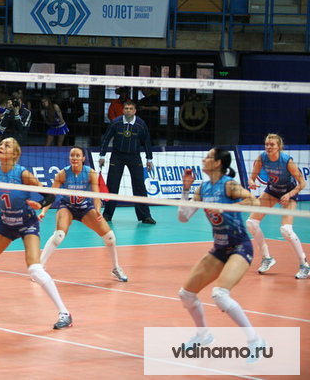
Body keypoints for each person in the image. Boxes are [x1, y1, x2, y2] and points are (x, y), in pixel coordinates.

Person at [0, 137, 72, 330]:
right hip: (5, 224)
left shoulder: (23, 174)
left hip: (26, 223)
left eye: (6, 146)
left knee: (35, 269)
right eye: (0, 144)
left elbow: (49, 195)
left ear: (15, 154)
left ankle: (64, 313)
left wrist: (39, 204)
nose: (0, 147)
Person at [177, 148, 264, 352]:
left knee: (220, 294)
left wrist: (224, 207)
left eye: (208, 157)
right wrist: (186, 189)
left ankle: (255, 341)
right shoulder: (203, 188)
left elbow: (255, 201)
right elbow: (183, 217)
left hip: (240, 246)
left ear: (217, 163)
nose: (204, 159)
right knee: (186, 294)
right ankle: (203, 336)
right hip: (219, 249)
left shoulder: (228, 185)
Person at [39, 147, 128, 282]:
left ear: (83, 158)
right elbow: (51, 195)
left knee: (110, 237)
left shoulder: (90, 173)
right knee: (59, 235)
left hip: (85, 207)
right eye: (72, 155)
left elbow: (96, 196)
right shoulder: (62, 174)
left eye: (77, 155)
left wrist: (97, 210)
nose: (74, 158)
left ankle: (116, 268)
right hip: (67, 207)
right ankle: (39, 267)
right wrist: (43, 211)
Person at [245, 134, 309, 279]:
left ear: (279, 146)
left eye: (272, 144)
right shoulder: (262, 158)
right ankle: (267, 258)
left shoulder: (287, 161)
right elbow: (252, 177)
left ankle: (304, 265)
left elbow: (302, 183)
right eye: (267, 144)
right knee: (251, 223)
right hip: (272, 191)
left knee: (286, 230)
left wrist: (289, 195)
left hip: (289, 193)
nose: (269, 147)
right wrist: (251, 182)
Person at [98, 100, 156, 224]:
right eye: (126, 108)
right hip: (117, 156)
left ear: (135, 111)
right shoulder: (116, 122)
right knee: (112, 185)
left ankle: (145, 216)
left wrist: (149, 159)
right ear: (123, 110)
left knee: (139, 186)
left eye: (131, 108)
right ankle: (107, 215)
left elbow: (147, 142)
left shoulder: (141, 124)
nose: (128, 110)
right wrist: (102, 155)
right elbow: (106, 139)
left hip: (134, 156)